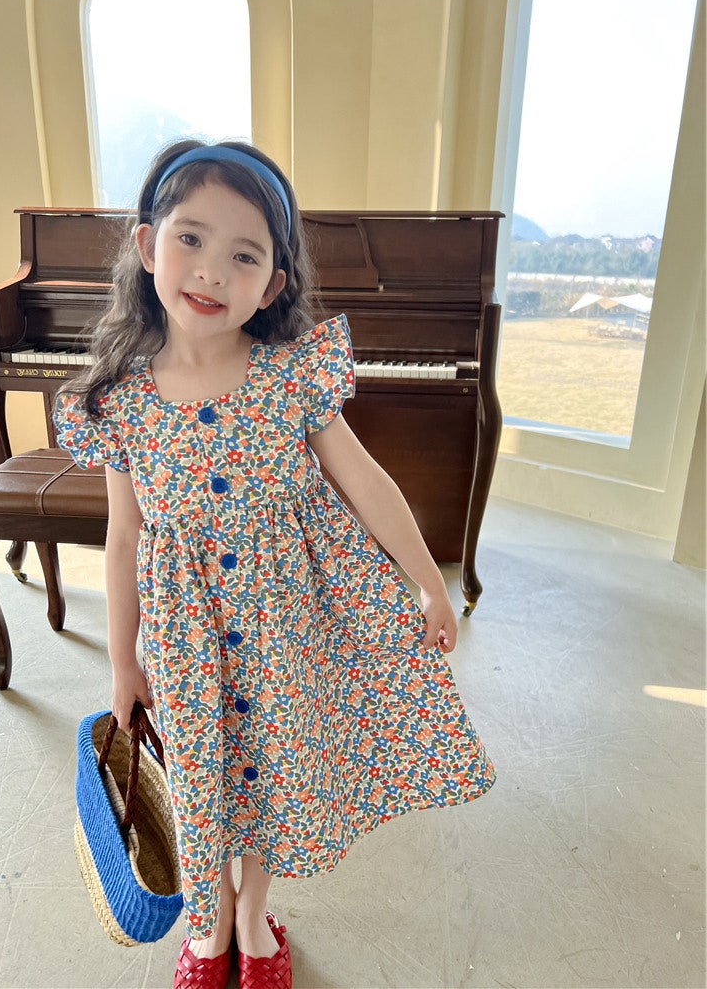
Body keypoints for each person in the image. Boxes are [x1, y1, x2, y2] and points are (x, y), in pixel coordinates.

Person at [54, 139, 495, 989]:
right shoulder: (121, 403)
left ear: (271, 286)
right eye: (190, 238)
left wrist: (426, 579)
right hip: (185, 638)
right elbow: (123, 535)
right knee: (201, 772)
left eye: (244, 255)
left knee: (275, 767)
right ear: (147, 246)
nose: (211, 270)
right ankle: (210, 918)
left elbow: (364, 479)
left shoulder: (290, 376)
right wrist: (122, 659)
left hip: (286, 623)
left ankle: (253, 911)